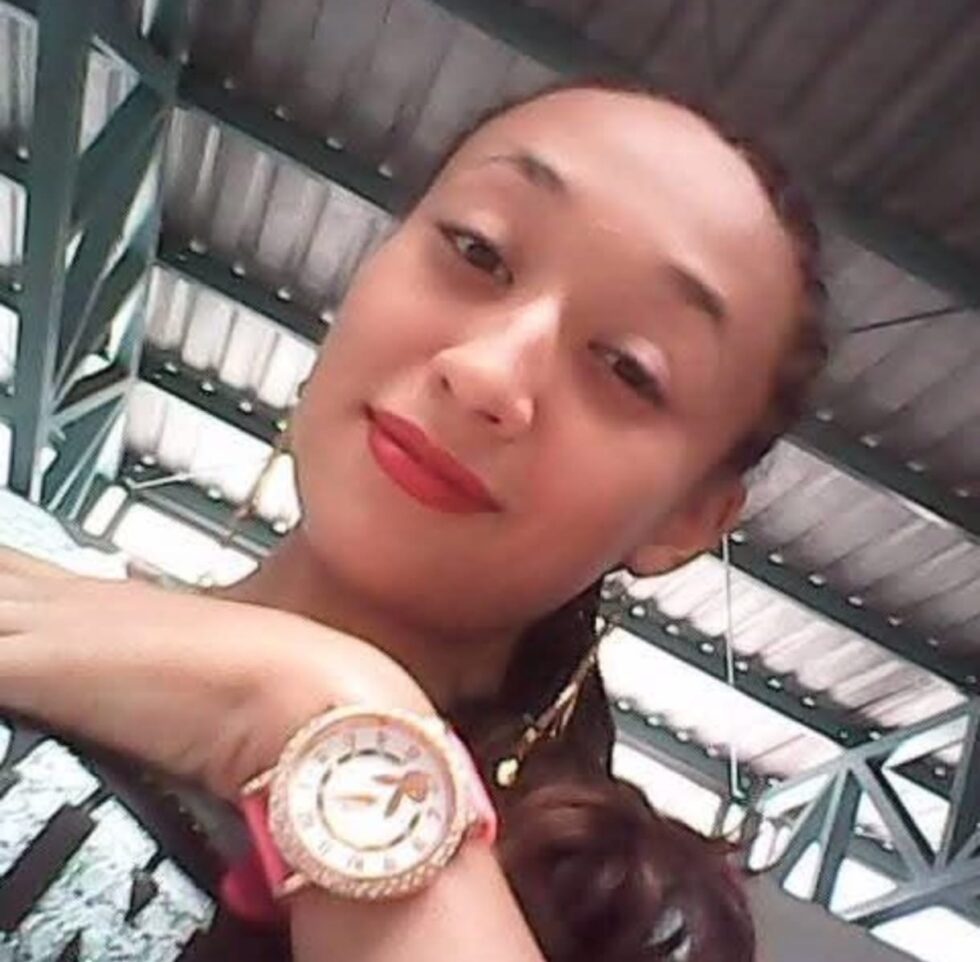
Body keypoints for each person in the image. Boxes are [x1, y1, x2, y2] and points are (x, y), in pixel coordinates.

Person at [0, 74, 827, 962]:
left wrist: (326, 719)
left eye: (628, 367)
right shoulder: (22, 557)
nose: (486, 374)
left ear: (688, 519)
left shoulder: (623, 917)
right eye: (478, 251)